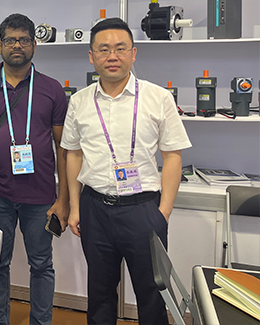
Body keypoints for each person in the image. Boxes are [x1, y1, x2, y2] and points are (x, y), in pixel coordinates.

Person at [61, 18, 191, 325]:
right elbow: (73, 154)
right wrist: (75, 207)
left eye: (120, 48)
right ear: (91, 56)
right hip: (95, 209)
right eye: (103, 49)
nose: (112, 56)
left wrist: (163, 213)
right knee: (100, 293)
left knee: (153, 293)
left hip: (143, 210)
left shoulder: (158, 97)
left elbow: (172, 156)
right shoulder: (79, 101)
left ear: (133, 53)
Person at [0, 13, 69, 325]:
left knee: (42, 265)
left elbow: (63, 149)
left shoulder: (51, 89)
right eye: (10, 40)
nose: (17, 46)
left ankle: (41, 322)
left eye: (24, 40)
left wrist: (64, 199)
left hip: (41, 197)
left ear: (34, 45)